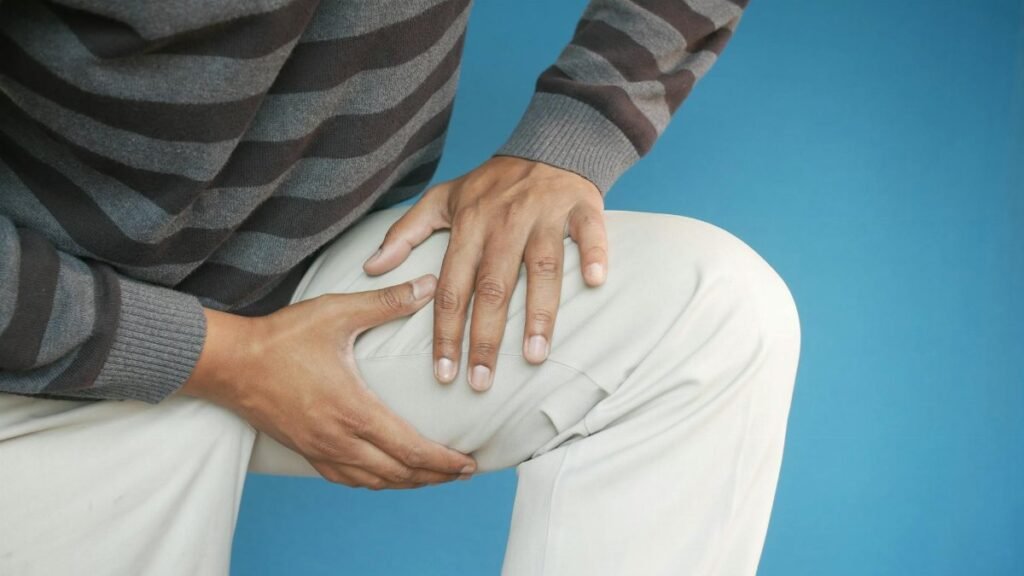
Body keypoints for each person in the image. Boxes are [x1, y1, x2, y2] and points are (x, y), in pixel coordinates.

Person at [0, 0, 801, 574]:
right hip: (45, 338)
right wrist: (223, 357)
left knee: (710, 314)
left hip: (311, 286)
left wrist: (579, 130)